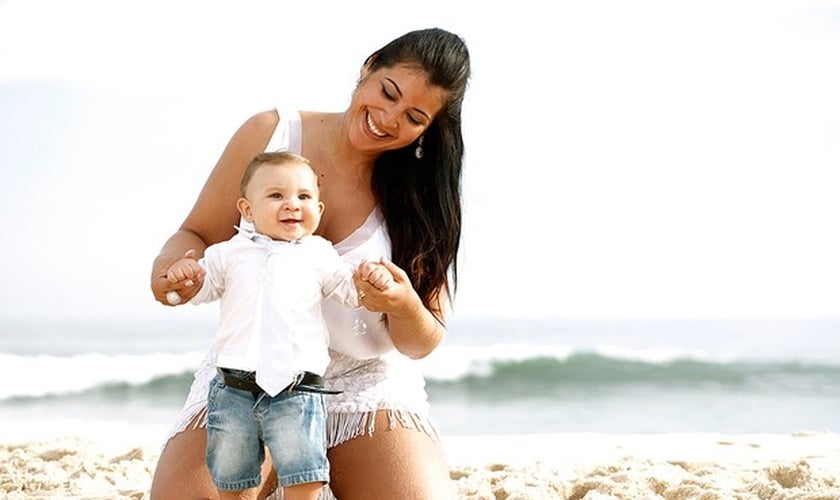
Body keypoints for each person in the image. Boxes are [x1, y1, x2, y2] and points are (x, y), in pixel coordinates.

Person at [149, 27, 470, 500]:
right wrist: (174, 269)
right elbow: (194, 234)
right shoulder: (272, 132)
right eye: (387, 92)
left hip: (362, 382)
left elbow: (424, 339)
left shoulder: (423, 196)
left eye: (413, 117)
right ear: (369, 66)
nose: (387, 118)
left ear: (428, 129)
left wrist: (401, 305)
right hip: (249, 376)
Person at [163, 151, 392, 500]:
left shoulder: (319, 254)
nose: (292, 205)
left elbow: (348, 291)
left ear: (320, 209)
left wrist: (368, 281)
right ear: (247, 210)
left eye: (304, 196)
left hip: (296, 389)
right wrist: (187, 277)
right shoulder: (229, 253)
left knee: (304, 471)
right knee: (231, 474)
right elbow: (202, 289)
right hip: (233, 388)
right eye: (276, 196)